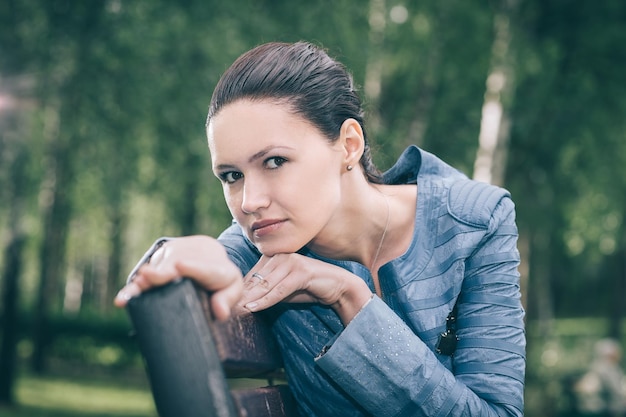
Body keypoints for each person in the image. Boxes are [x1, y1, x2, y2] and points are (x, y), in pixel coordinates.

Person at [115, 41, 526, 416]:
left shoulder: (475, 223)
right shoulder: (261, 243)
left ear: (348, 145)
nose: (249, 201)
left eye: (275, 161)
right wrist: (183, 255)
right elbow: (212, 259)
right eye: (230, 175)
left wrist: (351, 299)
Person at [574, 338, 626, 417]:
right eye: (616, 352)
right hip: (604, 410)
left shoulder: (610, 368)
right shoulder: (604, 368)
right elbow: (614, 390)